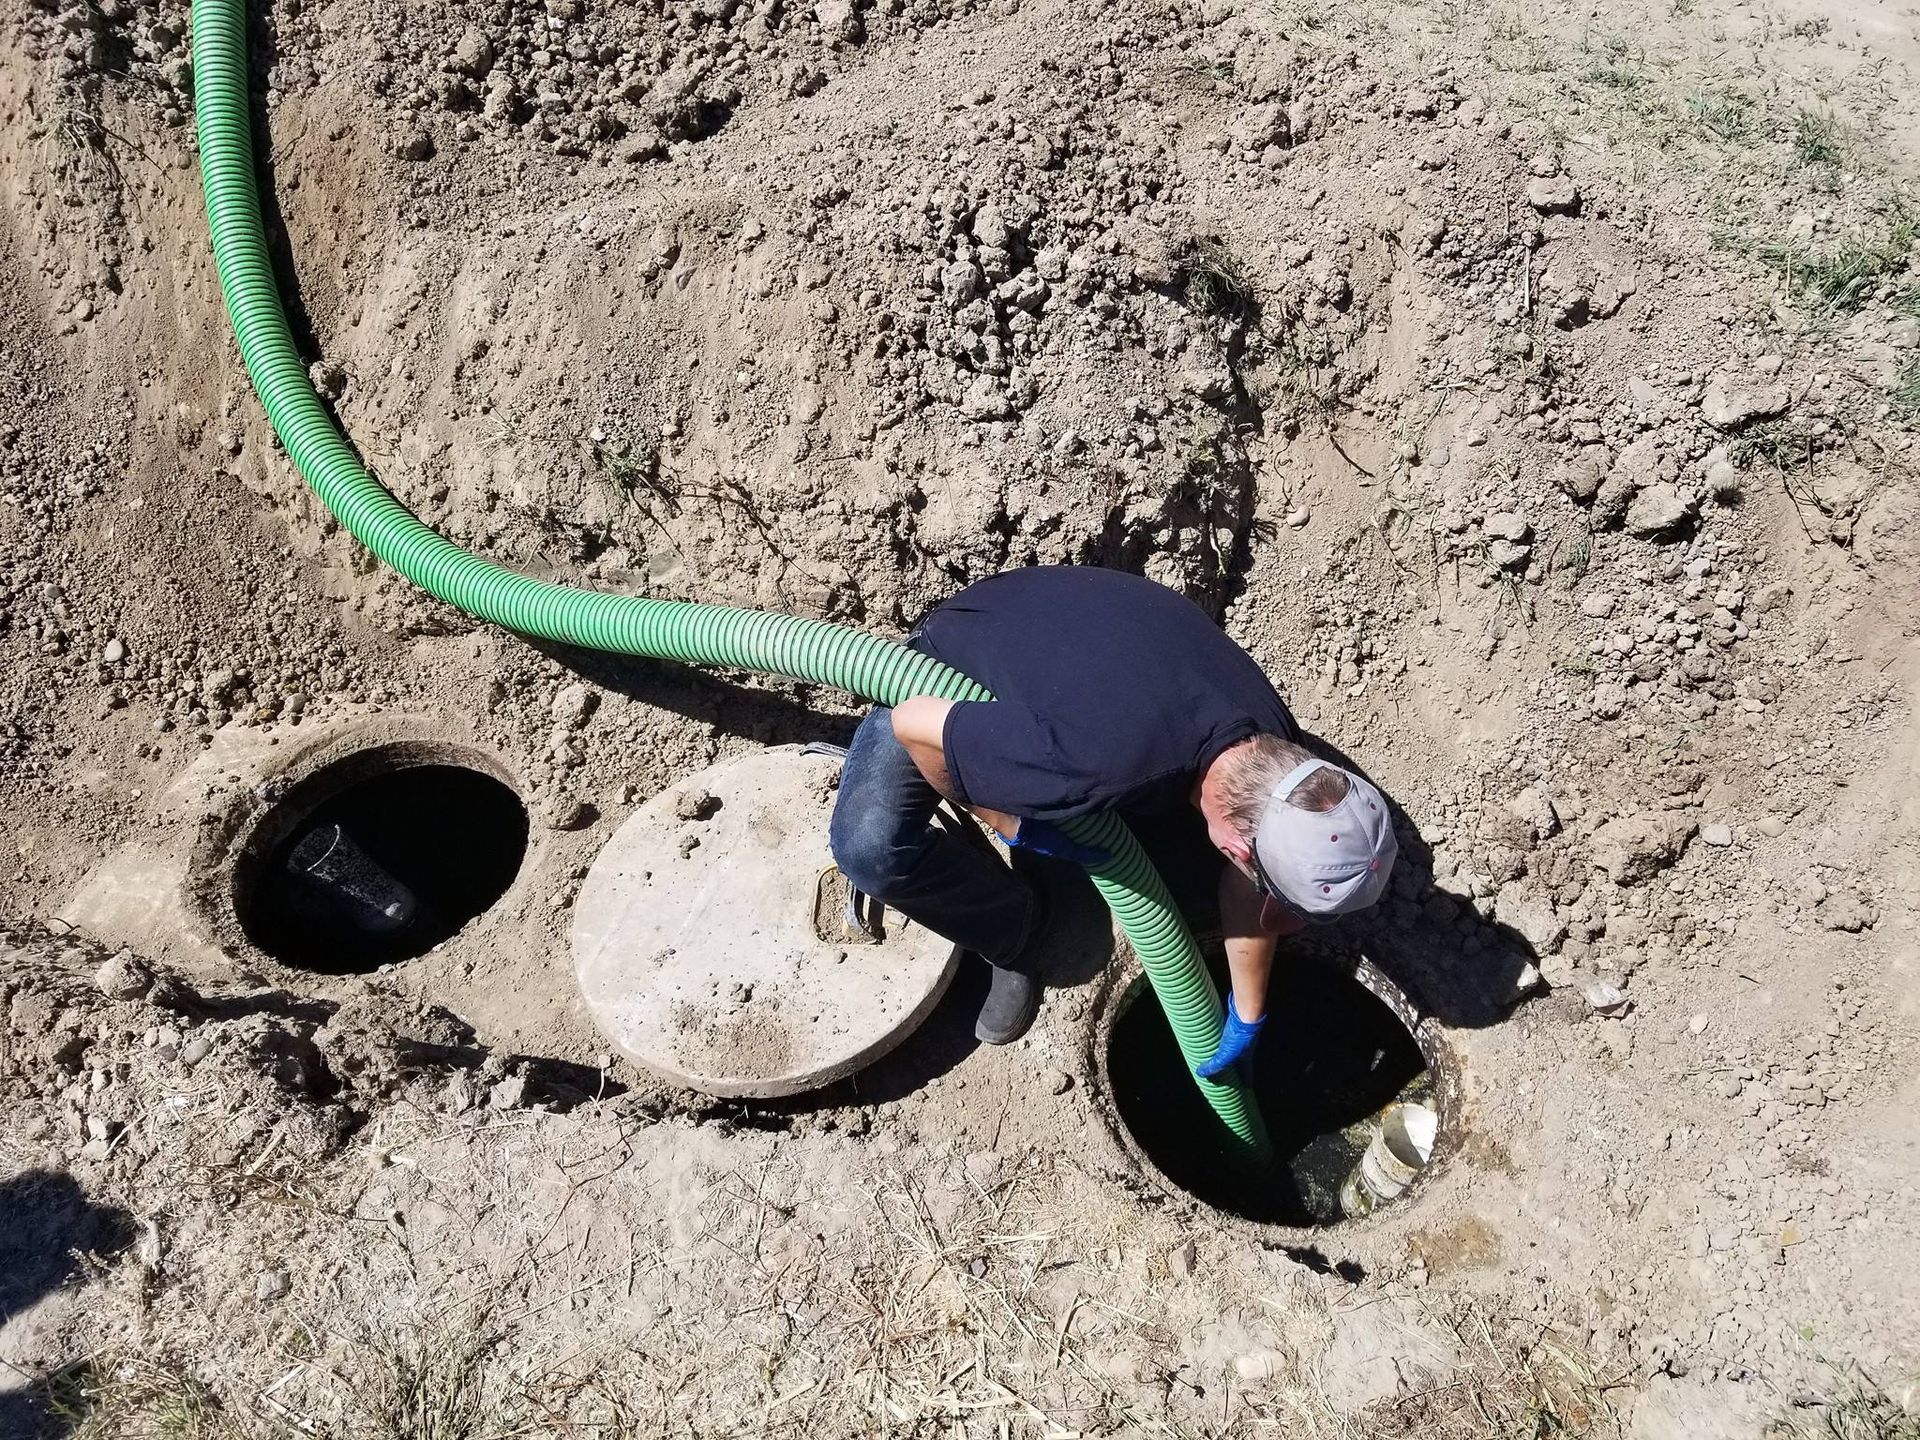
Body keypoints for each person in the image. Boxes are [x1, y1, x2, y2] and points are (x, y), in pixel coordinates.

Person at [828, 565, 1396, 1068]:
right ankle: (1015, 931)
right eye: (1274, 893)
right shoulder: (1086, 767)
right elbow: (914, 722)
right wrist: (1012, 821)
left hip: (1068, 628)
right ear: (1239, 849)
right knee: (870, 851)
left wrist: (1247, 1011)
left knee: (1185, 877)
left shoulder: (1280, 749)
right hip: (948, 671)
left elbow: (1248, 881)